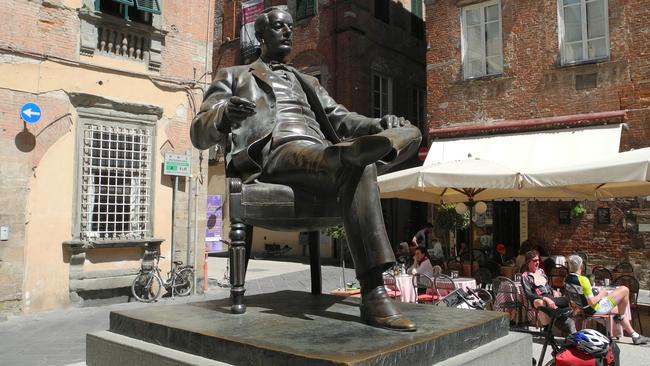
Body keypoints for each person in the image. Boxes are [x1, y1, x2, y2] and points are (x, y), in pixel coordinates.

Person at [191, 7, 421, 332]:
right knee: (352, 160)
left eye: (289, 27)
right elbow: (199, 131)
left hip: (320, 152)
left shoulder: (307, 80)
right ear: (260, 36)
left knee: (364, 161)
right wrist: (224, 116)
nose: (287, 32)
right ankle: (375, 293)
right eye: (278, 27)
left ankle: (386, 142)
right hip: (275, 152)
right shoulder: (234, 75)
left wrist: (377, 123)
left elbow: (340, 117)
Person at [565, 254, 648, 345]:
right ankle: (620, 317)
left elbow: (576, 295)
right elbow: (592, 302)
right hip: (595, 308)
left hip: (582, 308)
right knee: (624, 290)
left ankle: (634, 335)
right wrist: (602, 293)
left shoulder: (567, 279)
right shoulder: (583, 280)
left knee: (618, 309)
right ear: (581, 266)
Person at [520, 250, 576, 335]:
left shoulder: (541, 272)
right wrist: (545, 298)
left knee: (566, 300)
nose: (537, 262)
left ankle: (560, 320)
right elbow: (529, 294)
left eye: (538, 260)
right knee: (544, 302)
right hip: (537, 298)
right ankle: (555, 323)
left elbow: (547, 286)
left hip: (549, 296)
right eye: (535, 261)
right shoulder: (526, 276)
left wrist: (553, 291)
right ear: (528, 262)